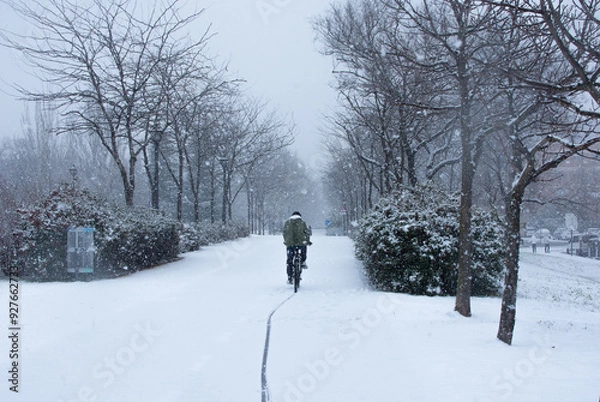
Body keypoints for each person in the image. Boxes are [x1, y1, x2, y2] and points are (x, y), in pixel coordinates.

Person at [283, 211, 312, 284]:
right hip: (301, 243)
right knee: (303, 250)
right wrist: (308, 241)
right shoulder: (302, 223)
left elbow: (284, 232)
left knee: (289, 261)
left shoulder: (287, 223)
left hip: (290, 244)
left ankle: (290, 277)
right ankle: (302, 262)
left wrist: (286, 241)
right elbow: (306, 233)